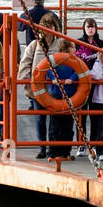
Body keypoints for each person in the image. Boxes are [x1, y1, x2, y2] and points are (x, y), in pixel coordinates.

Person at [19, 12, 71, 158]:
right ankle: (42, 146)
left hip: (55, 89)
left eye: (51, 27)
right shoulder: (34, 45)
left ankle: (52, 148)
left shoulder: (61, 43)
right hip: (38, 89)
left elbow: (70, 60)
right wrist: (26, 83)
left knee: (54, 119)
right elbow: (25, 63)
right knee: (40, 118)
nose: (48, 30)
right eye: (46, 27)